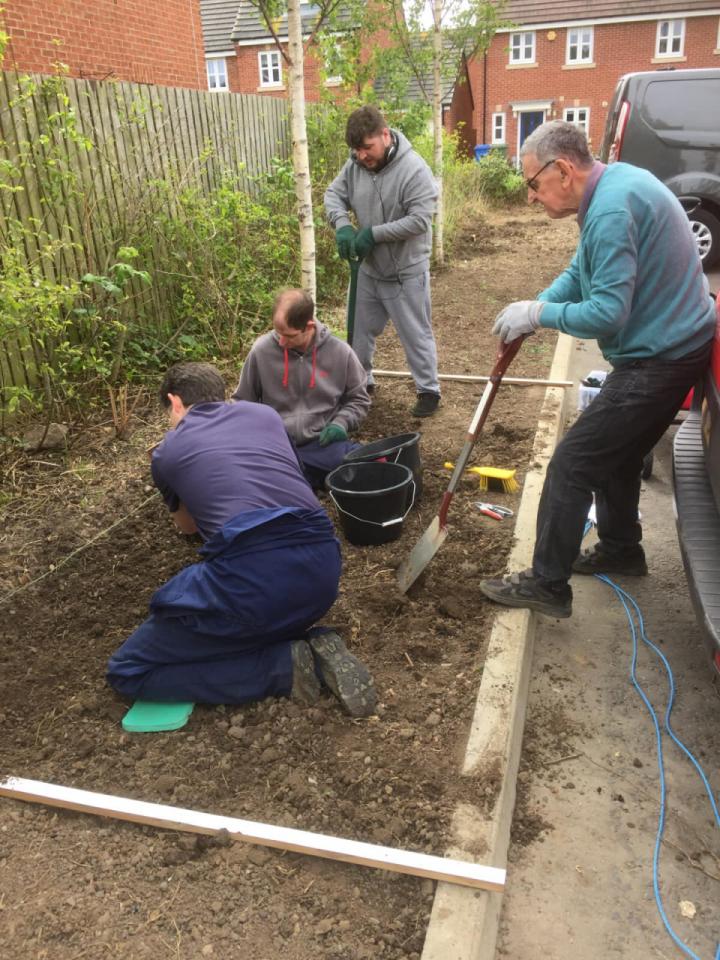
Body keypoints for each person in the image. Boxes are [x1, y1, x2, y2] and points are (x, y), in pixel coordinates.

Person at [479, 120, 715, 619]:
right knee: (619, 453)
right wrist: (537, 304)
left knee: (572, 463)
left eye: (532, 184)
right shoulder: (614, 183)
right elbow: (583, 270)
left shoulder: (609, 208)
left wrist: (539, 315)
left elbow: (608, 313)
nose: (530, 198)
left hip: (662, 357)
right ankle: (622, 548)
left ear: (562, 170)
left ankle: (547, 584)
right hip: (679, 344)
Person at [107, 362, 376, 717]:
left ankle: (283, 669)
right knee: (243, 616)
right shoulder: (263, 415)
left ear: (175, 402)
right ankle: (300, 643)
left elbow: (187, 528)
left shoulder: (168, 450)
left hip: (255, 581)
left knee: (128, 670)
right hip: (322, 569)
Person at [324, 104, 441, 418]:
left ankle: (428, 390)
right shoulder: (354, 167)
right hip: (369, 270)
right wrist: (344, 225)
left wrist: (373, 234)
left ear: (385, 135)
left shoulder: (414, 170)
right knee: (359, 332)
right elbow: (333, 194)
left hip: (406, 272)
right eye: (356, 149)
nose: (362, 155)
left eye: (367, 147)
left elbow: (420, 220)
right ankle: (362, 382)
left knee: (415, 333)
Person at [232, 288, 370, 490]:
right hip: (277, 448)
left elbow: (359, 399)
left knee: (368, 465)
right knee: (250, 481)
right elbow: (242, 403)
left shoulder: (340, 352)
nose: (281, 341)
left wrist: (341, 423)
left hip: (323, 445)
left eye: (288, 335)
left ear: (309, 326)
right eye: (277, 332)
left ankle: (303, 480)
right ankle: (301, 481)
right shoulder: (261, 351)